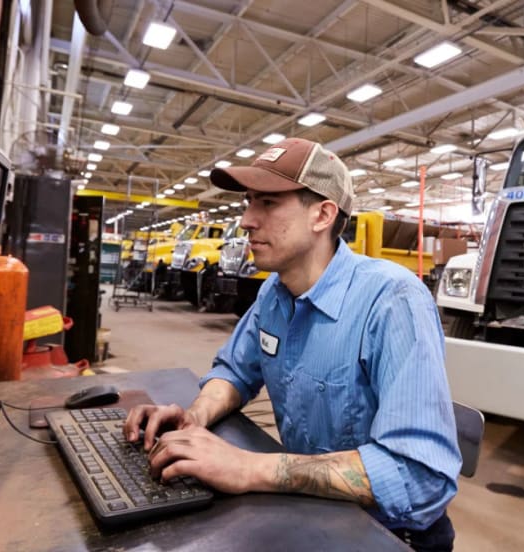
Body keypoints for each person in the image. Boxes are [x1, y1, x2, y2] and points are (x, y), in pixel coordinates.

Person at [124, 137, 462, 551]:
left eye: (267, 203)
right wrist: (194, 417)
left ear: (322, 214)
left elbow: (419, 475)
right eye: (249, 202)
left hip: (387, 534)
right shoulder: (274, 293)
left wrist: (248, 467)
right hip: (314, 512)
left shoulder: (392, 302)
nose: (247, 219)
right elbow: (235, 371)